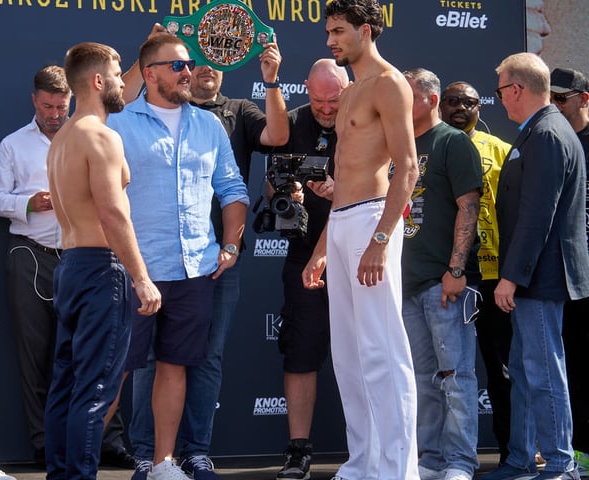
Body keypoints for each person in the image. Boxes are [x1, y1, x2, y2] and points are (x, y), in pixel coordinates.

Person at [117, 23, 288, 480]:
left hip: (200, 266)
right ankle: (136, 454)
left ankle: (175, 459)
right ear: (151, 73)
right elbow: (103, 106)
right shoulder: (120, 121)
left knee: (189, 362)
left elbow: (233, 188)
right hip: (138, 268)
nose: (189, 71)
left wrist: (230, 244)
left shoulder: (211, 122)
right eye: (178, 64)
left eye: (190, 64)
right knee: (124, 368)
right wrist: (145, 51)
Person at [0, 64, 135, 469]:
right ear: (35, 100)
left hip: (70, 259)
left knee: (79, 374)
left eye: (60, 104)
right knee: (75, 373)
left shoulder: (71, 137)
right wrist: (29, 202)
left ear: (73, 96)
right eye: (47, 106)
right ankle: (59, 456)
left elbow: (122, 88)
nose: (54, 113)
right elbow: (113, 214)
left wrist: (144, 55)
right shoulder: (28, 143)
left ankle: (89, 452)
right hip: (50, 257)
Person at [301, 1, 420, 479]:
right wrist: (321, 248)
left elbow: (406, 167)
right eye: (328, 31)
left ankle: (397, 469)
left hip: (374, 221)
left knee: (382, 352)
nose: (330, 40)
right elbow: (346, 179)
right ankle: (365, 463)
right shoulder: (349, 92)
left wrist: (381, 239)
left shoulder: (391, 84)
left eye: (338, 31)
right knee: (349, 356)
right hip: (344, 219)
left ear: (366, 30)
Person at [43, 41, 161, 480]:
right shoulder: (102, 136)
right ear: (97, 82)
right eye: (115, 75)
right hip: (100, 271)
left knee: (67, 387)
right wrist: (141, 277)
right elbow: (113, 213)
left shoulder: (63, 140)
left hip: (70, 267)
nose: (120, 83)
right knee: (94, 390)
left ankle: (62, 475)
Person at [481, 52, 589, 480]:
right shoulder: (541, 131)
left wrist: (511, 276)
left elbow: (537, 215)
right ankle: (522, 459)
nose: (501, 100)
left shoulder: (545, 134)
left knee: (543, 372)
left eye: (501, 90)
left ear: (517, 90)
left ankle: (561, 464)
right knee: (526, 372)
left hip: (538, 279)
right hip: (533, 278)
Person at [266, 58, 348, 480]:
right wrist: (289, 189)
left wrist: (340, 192)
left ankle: (370, 449)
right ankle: (298, 451)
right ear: (306, 91)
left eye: (333, 100)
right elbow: (270, 179)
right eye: (318, 100)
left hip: (355, 256)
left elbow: (386, 184)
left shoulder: (363, 120)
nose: (327, 109)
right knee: (299, 354)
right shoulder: (291, 122)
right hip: (303, 256)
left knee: (367, 356)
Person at [400, 68, 482, 480]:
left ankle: (460, 463)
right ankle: (429, 459)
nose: (399, 102)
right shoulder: (401, 144)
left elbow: (468, 206)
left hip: (443, 282)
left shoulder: (453, 143)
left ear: (430, 100)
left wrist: (456, 269)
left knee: (456, 377)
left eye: (407, 95)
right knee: (421, 379)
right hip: (406, 282)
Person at [439, 80, 514, 466]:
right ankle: (440, 458)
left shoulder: (500, 149)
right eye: (452, 101)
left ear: (479, 109)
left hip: (493, 276)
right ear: (438, 104)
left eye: (468, 102)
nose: (460, 108)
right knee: (444, 373)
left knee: (503, 372)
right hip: (444, 279)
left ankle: (512, 454)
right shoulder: (426, 146)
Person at [550, 66, 589, 477]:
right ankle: (577, 452)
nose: (555, 106)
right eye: (552, 99)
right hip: (566, 276)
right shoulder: (551, 141)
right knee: (572, 365)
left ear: (583, 99)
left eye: (562, 99)